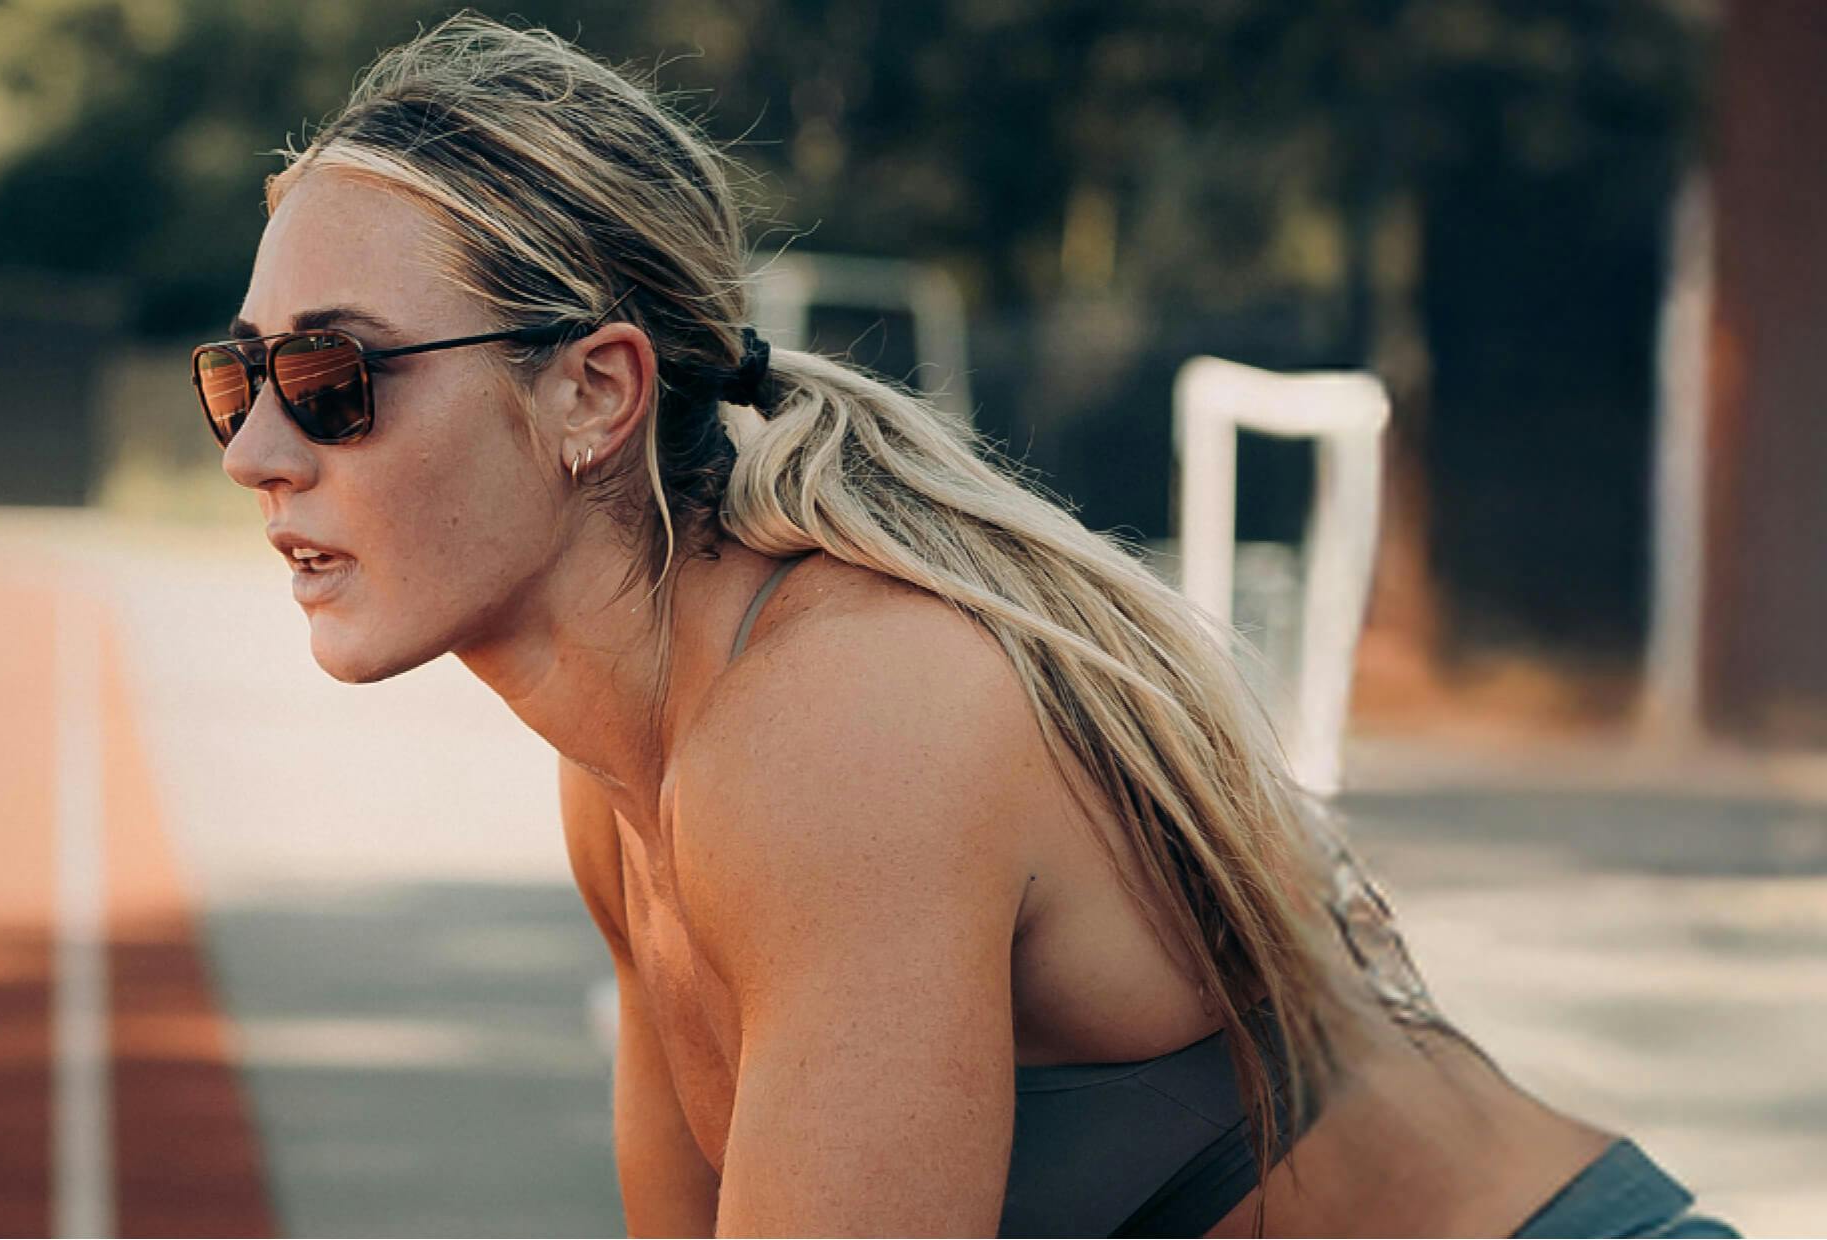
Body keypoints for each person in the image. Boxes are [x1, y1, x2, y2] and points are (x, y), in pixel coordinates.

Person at [189, 15, 1736, 1237]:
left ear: (596, 390)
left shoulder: (831, 725)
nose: (260, 448)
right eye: (238, 377)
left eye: (338, 380)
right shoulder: (624, 780)